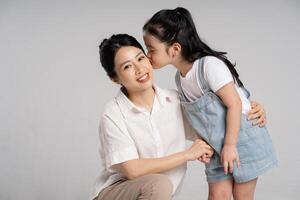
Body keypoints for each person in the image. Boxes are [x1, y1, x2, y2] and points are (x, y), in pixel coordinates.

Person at [92, 34, 267, 200]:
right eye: (127, 66)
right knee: (158, 184)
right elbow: (132, 170)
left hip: (156, 194)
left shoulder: (175, 100)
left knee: (160, 186)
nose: (139, 69)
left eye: (140, 58)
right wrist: (187, 155)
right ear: (114, 78)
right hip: (117, 192)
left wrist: (248, 108)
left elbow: (213, 123)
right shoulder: (113, 113)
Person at [143, 7, 277, 200]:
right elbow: (200, 117)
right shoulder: (180, 79)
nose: (148, 55)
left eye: (151, 49)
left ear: (175, 49)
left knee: (242, 195)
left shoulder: (209, 66)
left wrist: (230, 145)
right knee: (217, 195)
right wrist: (203, 143)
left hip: (240, 138)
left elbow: (235, 104)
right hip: (216, 145)